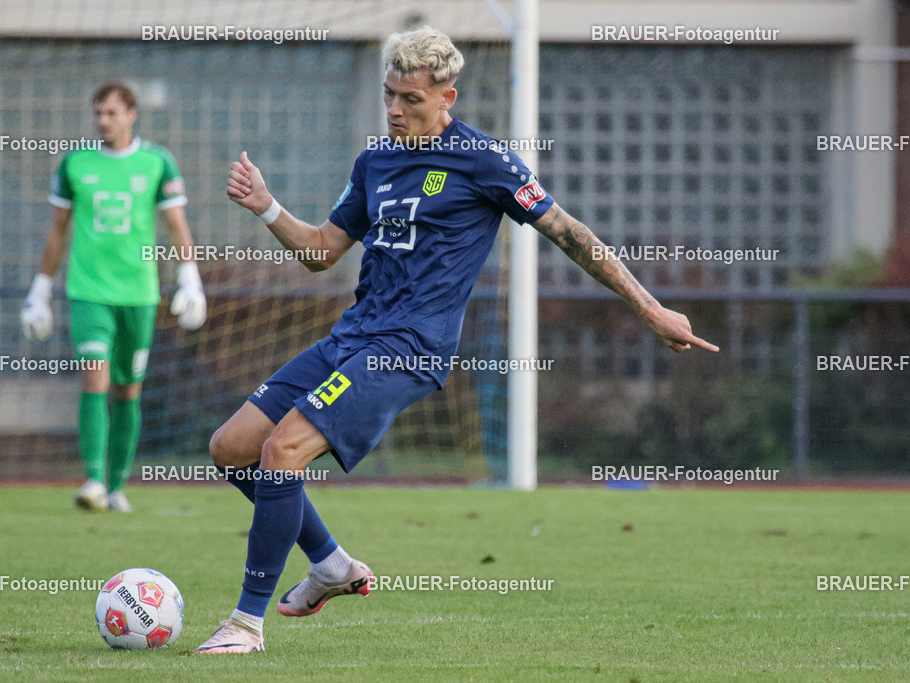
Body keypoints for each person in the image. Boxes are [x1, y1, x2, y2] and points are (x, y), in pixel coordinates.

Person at [196, 27, 718, 654]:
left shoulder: (484, 160)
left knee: (283, 451)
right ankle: (331, 565)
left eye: (411, 99)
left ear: (447, 97)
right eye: (389, 95)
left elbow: (570, 233)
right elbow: (322, 251)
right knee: (232, 449)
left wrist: (650, 307)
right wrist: (266, 206)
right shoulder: (374, 161)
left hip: (408, 348)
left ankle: (245, 626)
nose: (395, 110)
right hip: (351, 337)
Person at [20, 82, 207, 513]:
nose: (103, 121)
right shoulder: (75, 163)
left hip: (139, 295)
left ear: (131, 114)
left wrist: (190, 280)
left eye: (111, 113)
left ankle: (117, 485)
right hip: (88, 292)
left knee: (127, 389)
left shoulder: (157, 162)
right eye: (98, 113)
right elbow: (58, 230)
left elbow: (176, 225)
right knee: (94, 377)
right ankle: (93, 480)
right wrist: (40, 290)